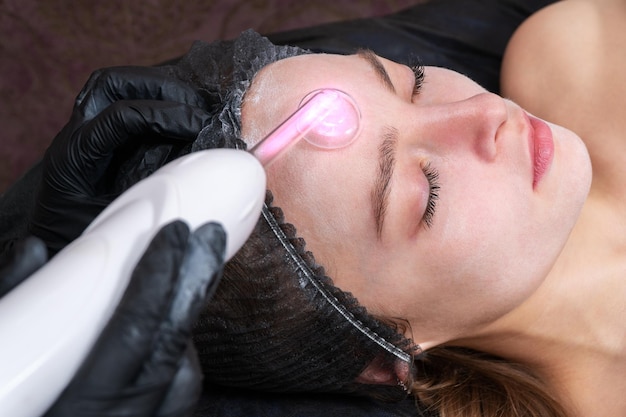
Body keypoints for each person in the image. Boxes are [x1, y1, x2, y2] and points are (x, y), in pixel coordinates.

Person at [2, 0, 621, 416]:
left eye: (413, 83)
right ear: (388, 360)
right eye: (426, 192)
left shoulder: (575, 53)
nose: (484, 116)